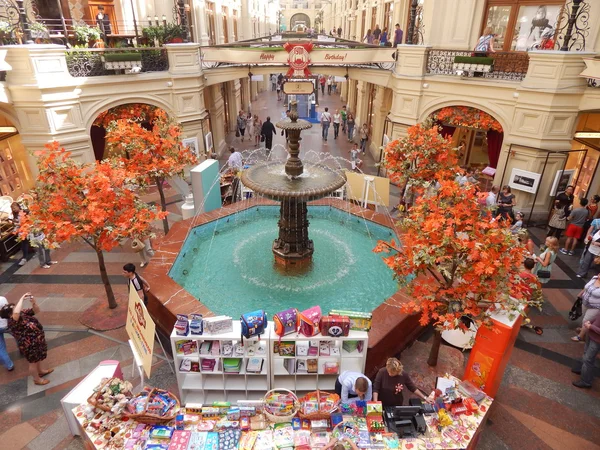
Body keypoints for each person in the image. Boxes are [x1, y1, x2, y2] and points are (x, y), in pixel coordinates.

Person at [0, 293, 52, 385]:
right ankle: (37, 379)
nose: (16, 308)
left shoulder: (22, 313)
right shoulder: (13, 321)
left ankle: (41, 371)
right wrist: (22, 298)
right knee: (33, 362)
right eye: (14, 308)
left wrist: (33, 303)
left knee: (38, 358)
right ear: (9, 313)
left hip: (36, 340)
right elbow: (16, 312)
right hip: (29, 344)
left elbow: (36, 310)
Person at [571, 264, 600, 343]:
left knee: (586, 320)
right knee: (584, 316)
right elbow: (586, 286)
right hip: (585, 302)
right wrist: (581, 294)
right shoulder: (594, 278)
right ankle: (585, 329)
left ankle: (581, 336)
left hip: (595, 307)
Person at [572, 312, 600, 389]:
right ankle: (584, 371)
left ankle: (586, 381)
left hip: (597, 340)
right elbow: (598, 317)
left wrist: (591, 326)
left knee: (588, 359)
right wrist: (590, 322)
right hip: (591, 335)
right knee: (586, 355)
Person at [11, 202, 30, 266]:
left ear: (18, 206)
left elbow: (28, 220)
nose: (14, 209)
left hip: (28, 229)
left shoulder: (25, 212)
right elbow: (16, 223)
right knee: (23, 244)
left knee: (25, 243)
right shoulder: (15, 215)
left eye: (14, 208)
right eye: (13, 209)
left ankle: (25, 257)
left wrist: (19, 224)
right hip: (21, 231)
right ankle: (24, 258)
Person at [0, 296, 14, 372]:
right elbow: (9, 312)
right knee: (18, 336)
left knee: (0, 348)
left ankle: (9, 365)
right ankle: (23, 349)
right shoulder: (2, 299)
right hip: (5, 325)